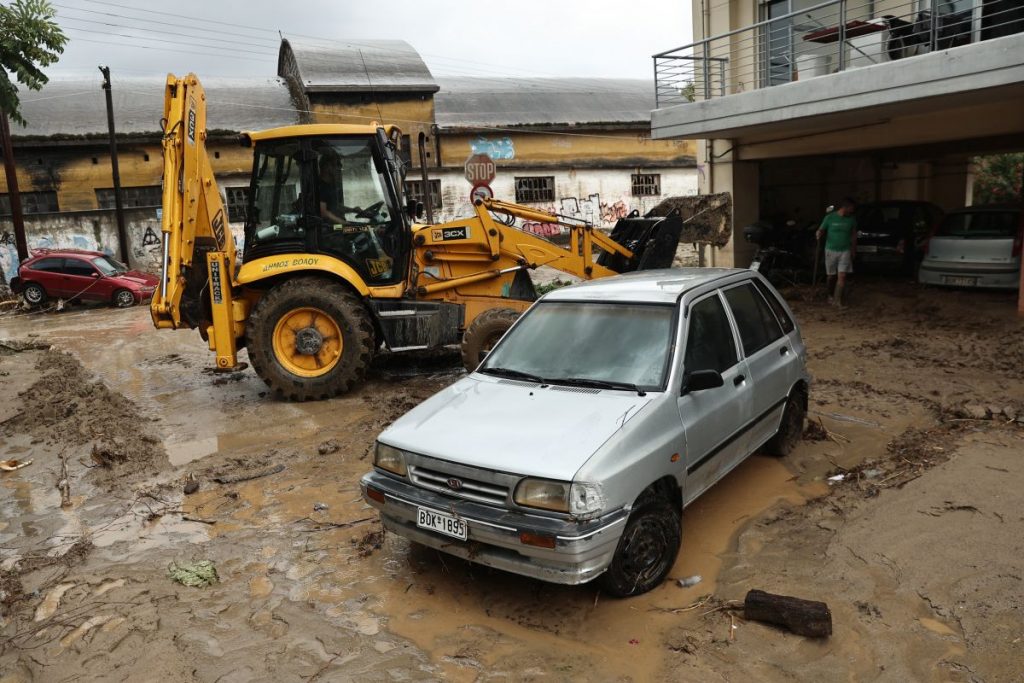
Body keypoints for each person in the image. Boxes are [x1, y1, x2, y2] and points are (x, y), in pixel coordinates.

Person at [817, 198, 857, 307]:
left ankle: (837, 300)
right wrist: (819, 233)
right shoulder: (830, 217)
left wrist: (853, 249)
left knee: (842, 276)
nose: (852, 211)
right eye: (851, 209)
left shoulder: (852, 220)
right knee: (831, 276)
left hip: (845, 251)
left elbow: (853, 235)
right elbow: (821, 229)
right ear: (845, 207)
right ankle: (830, 295)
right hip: (830, 250)